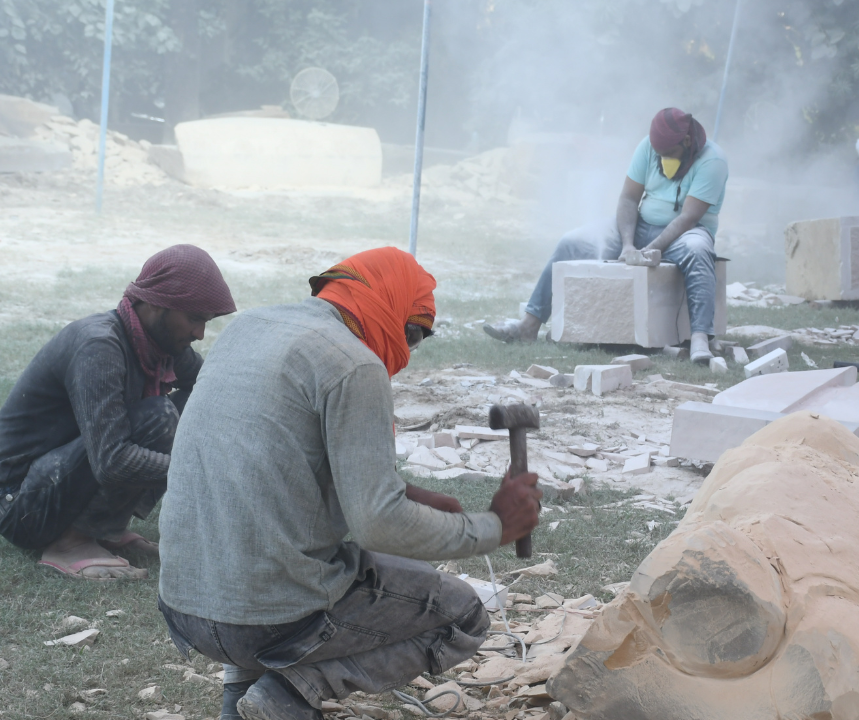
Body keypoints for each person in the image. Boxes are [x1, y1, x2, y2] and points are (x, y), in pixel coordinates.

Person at [156, 247, 542, 720]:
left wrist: (407, 496)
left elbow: (268, 471)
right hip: (262, 622)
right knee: (462, 615)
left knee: (254, 555)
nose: (406, 353)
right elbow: (379, 526)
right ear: (394, 314)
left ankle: (239, 706)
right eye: (413, 336)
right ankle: (290, 694)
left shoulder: (248, 329)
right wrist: (497, 526)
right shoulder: (352, 363)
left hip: (184, 604)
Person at [0, 245, 235, 580]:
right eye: (194, 318)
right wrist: (201, 468)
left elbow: (212, 388)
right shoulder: (99, 346)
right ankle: (70, 542)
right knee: (159, 416)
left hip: (59, 480)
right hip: (21, 506)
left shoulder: (160, 343)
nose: (199, 333)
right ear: (155, 303)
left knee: (192, 403)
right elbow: (113, 461)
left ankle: (103, 530)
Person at [484, 107, 728, 364]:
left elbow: (688, 217)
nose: (662, 158)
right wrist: (627, 244)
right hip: (642, 225)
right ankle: (529, 325)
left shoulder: (712, 160)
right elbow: (628, 197)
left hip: (687, 233)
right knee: (572, 242)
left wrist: (649, 249)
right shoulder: (647, 147)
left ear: (687, 142)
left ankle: (700, 340)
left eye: (669, 153)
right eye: (659, 154)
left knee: (699, 251)